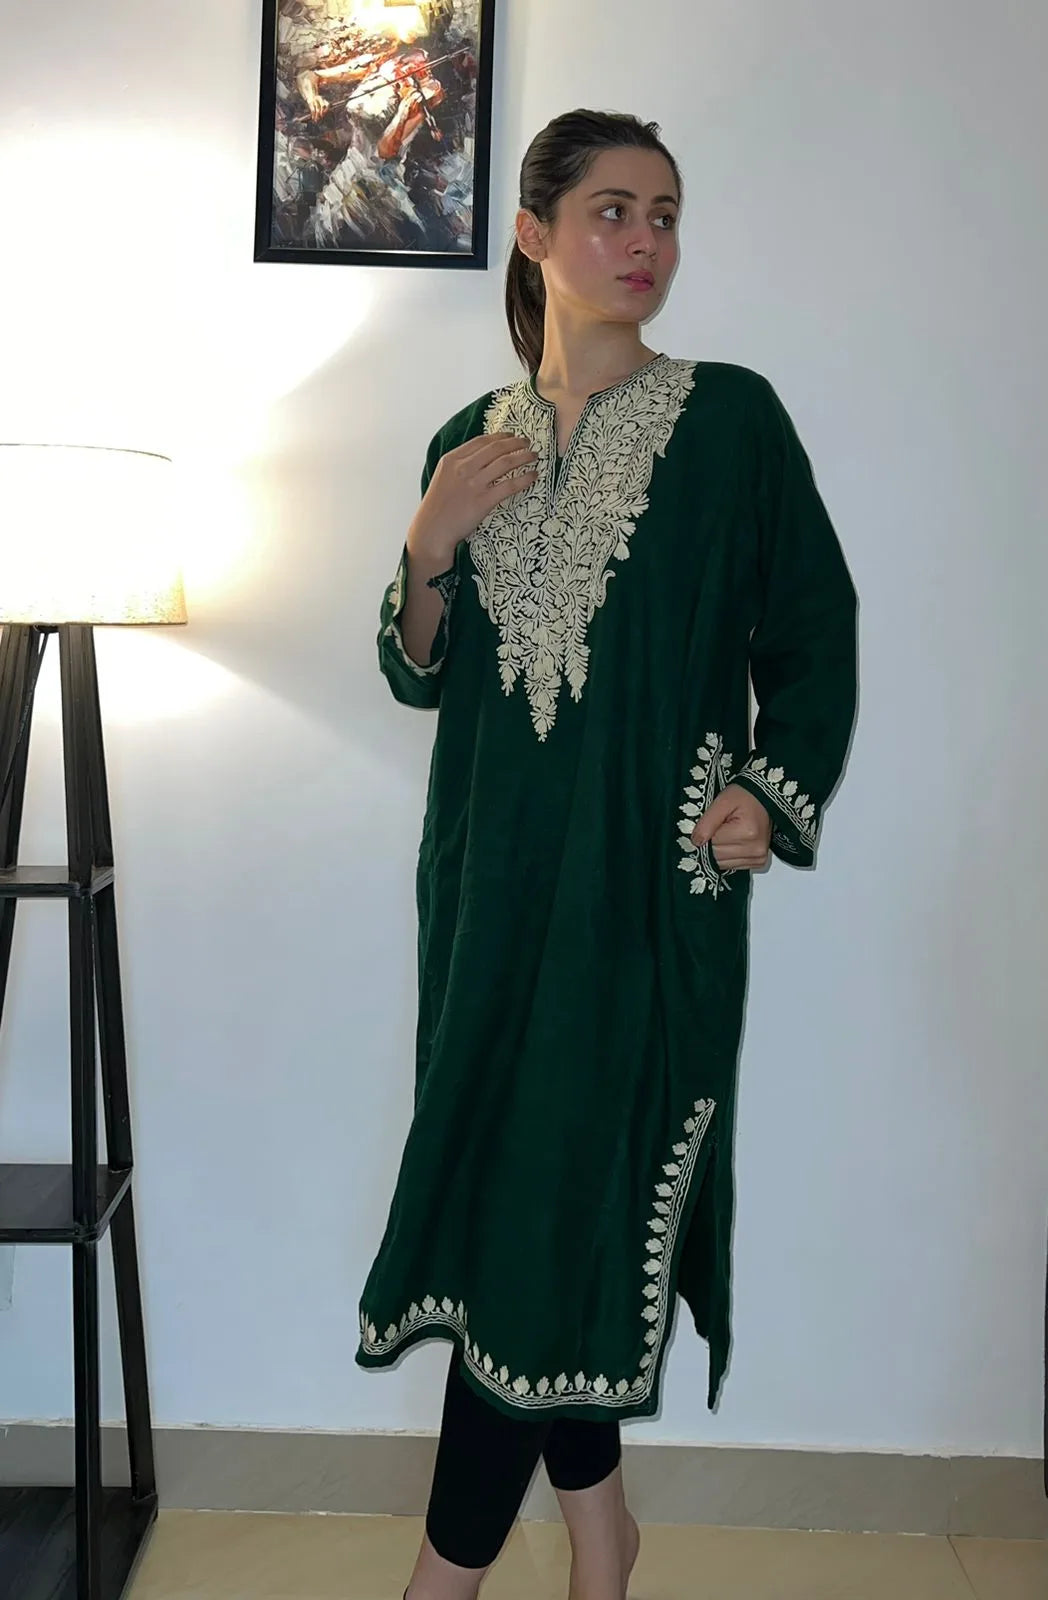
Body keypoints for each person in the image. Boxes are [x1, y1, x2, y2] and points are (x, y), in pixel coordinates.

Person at [356, 109, 858, 1600]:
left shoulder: (731, 423)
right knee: (525, 1201)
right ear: (534, 234)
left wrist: (769, 787)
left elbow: (812, 627)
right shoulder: (468, 440)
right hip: (489, 900)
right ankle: (601, 1540)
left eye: (666, 215)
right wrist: (427, 546)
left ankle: (442, 1579)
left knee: (556, 1205)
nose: (647, 243)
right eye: (613, 212)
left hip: (645, 899)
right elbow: (421, 673)